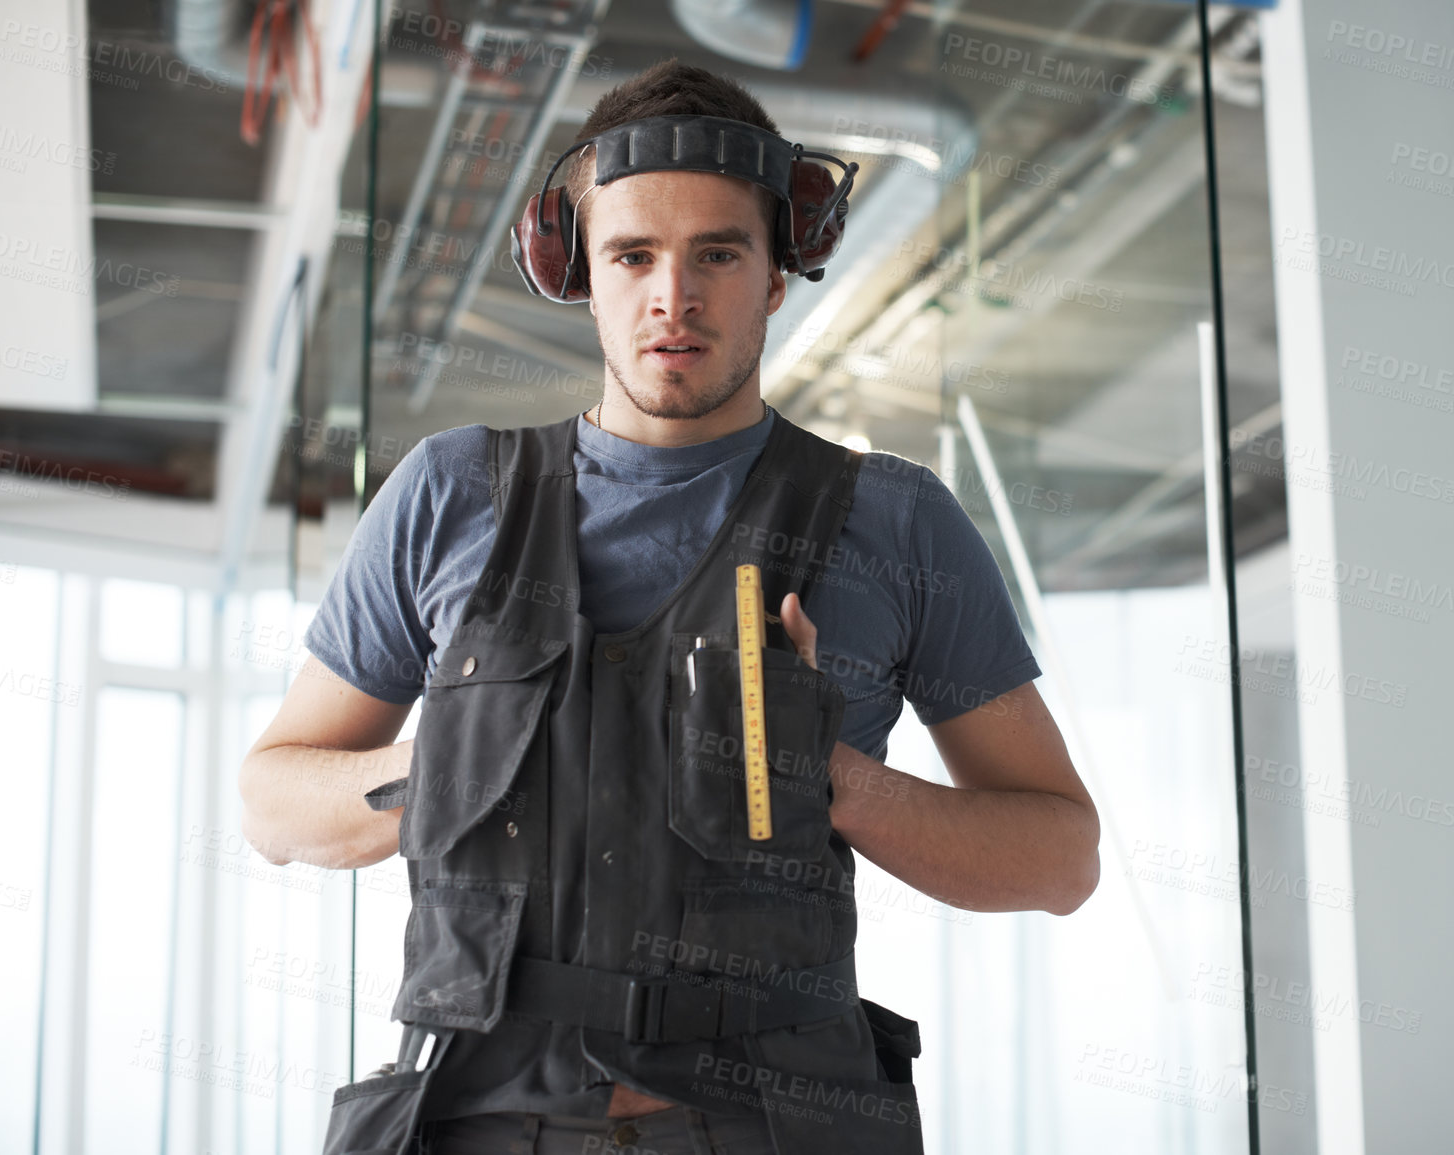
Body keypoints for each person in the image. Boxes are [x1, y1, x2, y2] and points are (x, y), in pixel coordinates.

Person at [239, 57, 1099, 1155]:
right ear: (580, 273)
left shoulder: (895, 522)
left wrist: (836, 781)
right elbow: (272, 803)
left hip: (773, 1128)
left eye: (719, 255)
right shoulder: (453, 492)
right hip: (479, 1124)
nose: (672, 298)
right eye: (632, 255)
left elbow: (1061, 859)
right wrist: (445, 765)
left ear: (779, 276)